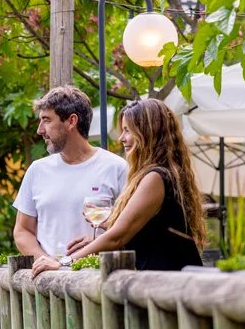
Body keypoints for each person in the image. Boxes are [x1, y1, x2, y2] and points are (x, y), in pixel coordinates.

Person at [31, 98, 206, 274]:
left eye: (127, 130)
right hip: (167, 279)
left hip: (172, 282)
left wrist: (64, 262)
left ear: (148, 132)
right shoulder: (162, 174)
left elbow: (118, 236)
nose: (122, 138)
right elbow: (147, 233)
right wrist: (97, 240)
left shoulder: (156, 178)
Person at [13, 85, 128, 259]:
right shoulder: (37, 170)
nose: (40, 130)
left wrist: (98, 242)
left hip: (101, 274)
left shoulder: (117, 168)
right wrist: (46, 261)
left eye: (47, 120)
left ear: (71, 121)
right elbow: (22, 231)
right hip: (49, 275)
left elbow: (130, 229)